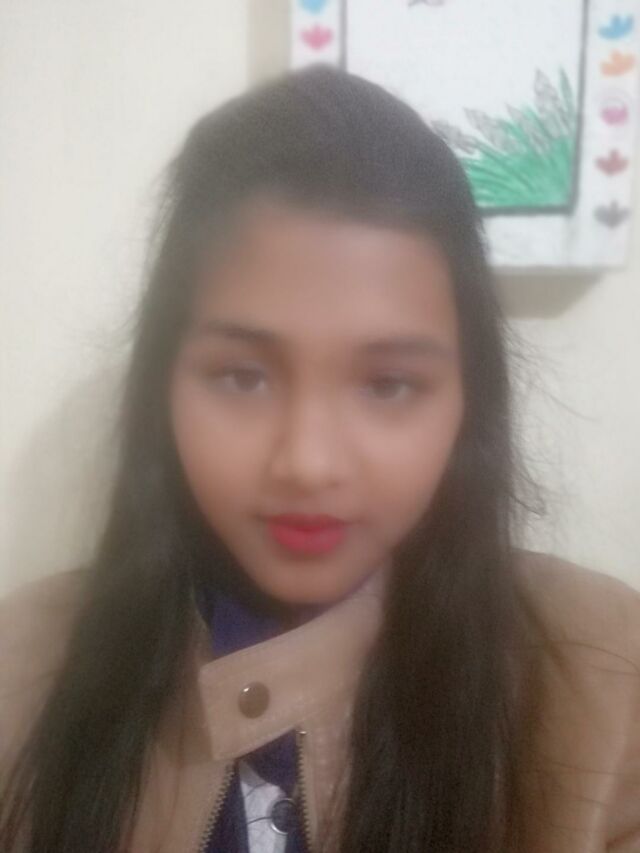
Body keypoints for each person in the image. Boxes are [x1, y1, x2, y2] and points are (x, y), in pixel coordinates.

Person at [0, 64, 639, 853]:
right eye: (243, 376)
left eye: (389, 384)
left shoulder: (609, 687)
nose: (307, 462)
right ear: (164, 384)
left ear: (467, 399)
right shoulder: (20, 672)